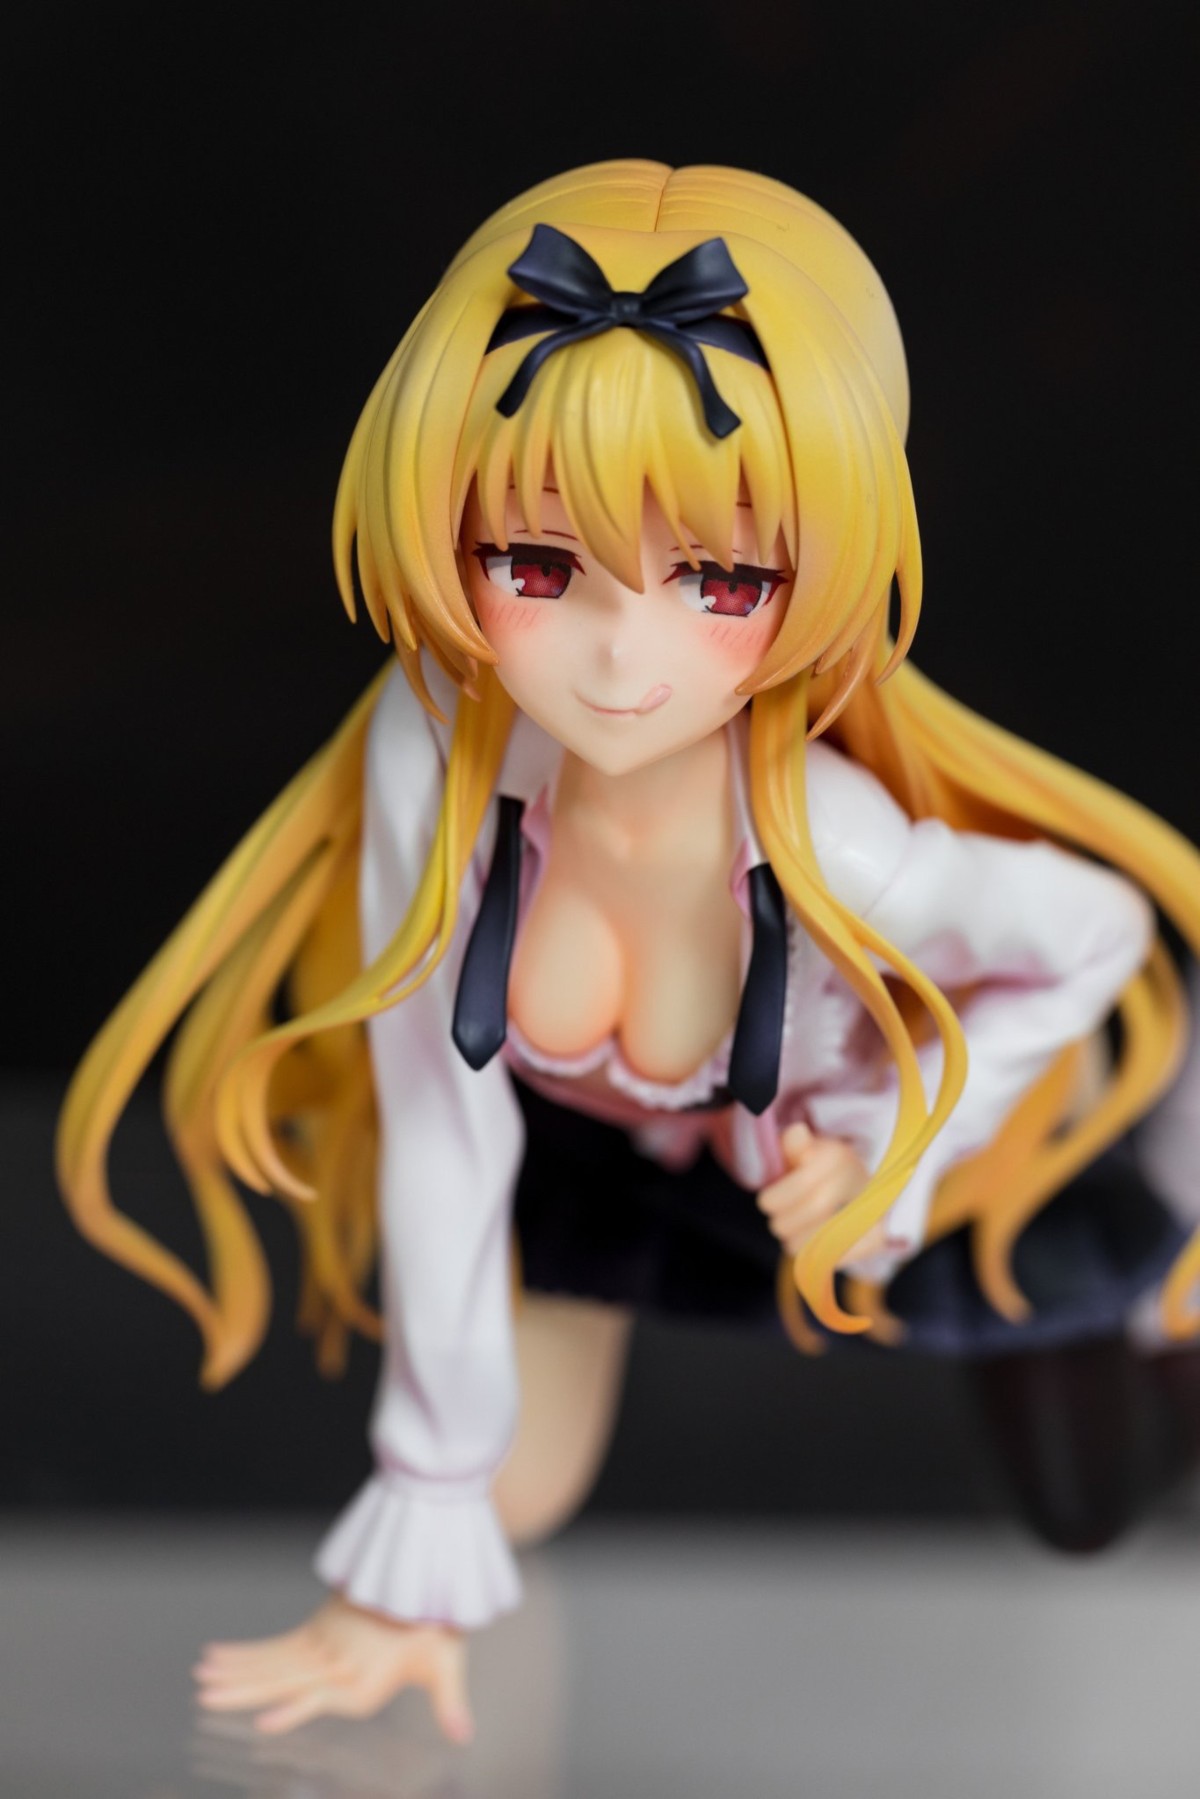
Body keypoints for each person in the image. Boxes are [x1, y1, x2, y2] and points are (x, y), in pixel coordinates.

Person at [56, 159, 1200, 1740]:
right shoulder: (436, 759)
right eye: (535, 566)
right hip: (607, 1151)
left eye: (720, 579)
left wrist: (907, 1146)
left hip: (882, 1149)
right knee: (505, 1486)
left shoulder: (839, 845)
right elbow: (441, 1125)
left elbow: (1098, 934)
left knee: (1085, 1493)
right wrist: (409, 1555)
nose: (618, 654)